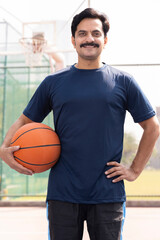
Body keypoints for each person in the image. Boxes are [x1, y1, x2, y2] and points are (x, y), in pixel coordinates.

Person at [0, 8, 159, 240]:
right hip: (63, 193)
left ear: (105, 40)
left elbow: (152, 127)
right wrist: (5, 148)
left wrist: (134, 170)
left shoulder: (123, 82)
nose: (89, 39)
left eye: (95, 33)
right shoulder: (53, 83)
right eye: (82, 34)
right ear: (73, 41)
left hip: (108, 194)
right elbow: (25, 120)